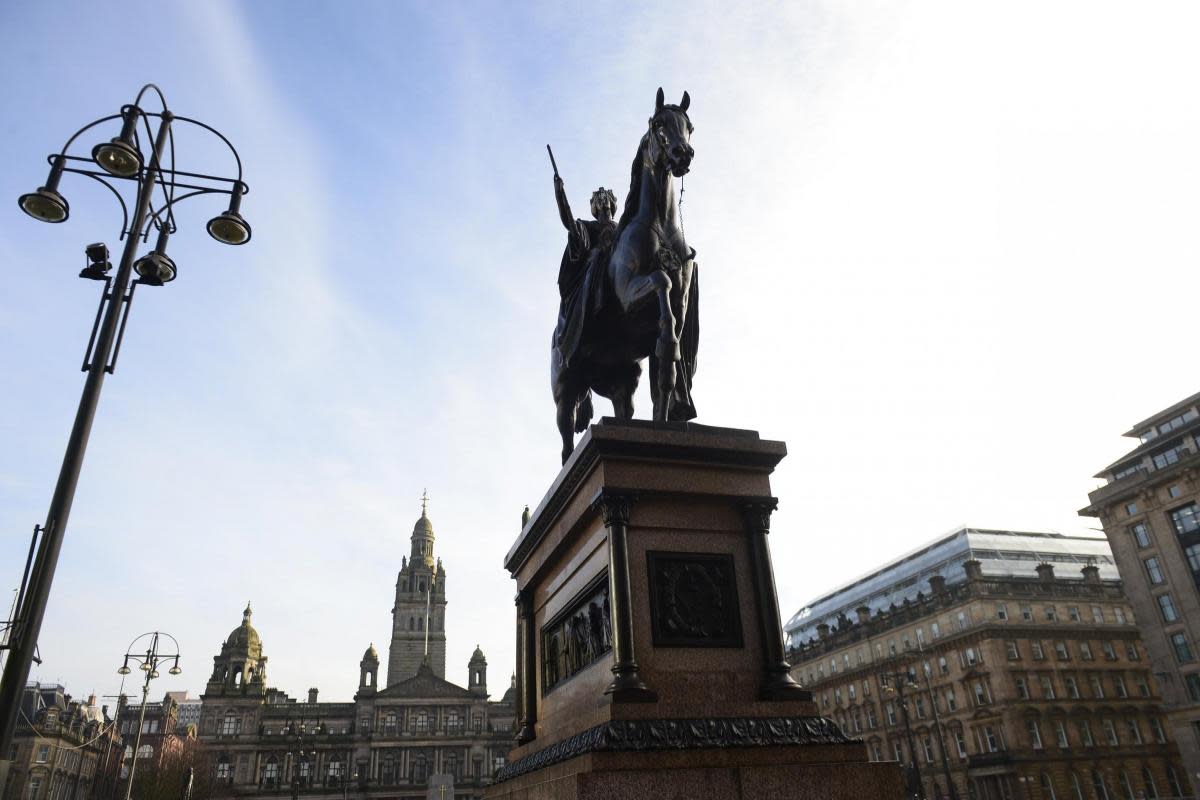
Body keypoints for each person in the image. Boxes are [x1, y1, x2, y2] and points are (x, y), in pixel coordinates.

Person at [553, 176, 617, 368]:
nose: (603, 200)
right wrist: (560, 194)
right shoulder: (588, 227)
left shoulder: (624, 228)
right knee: (597, 261)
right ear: (594, 206)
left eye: (606, 197)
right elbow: (570, 224)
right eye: (599, 198)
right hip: (595, 270)